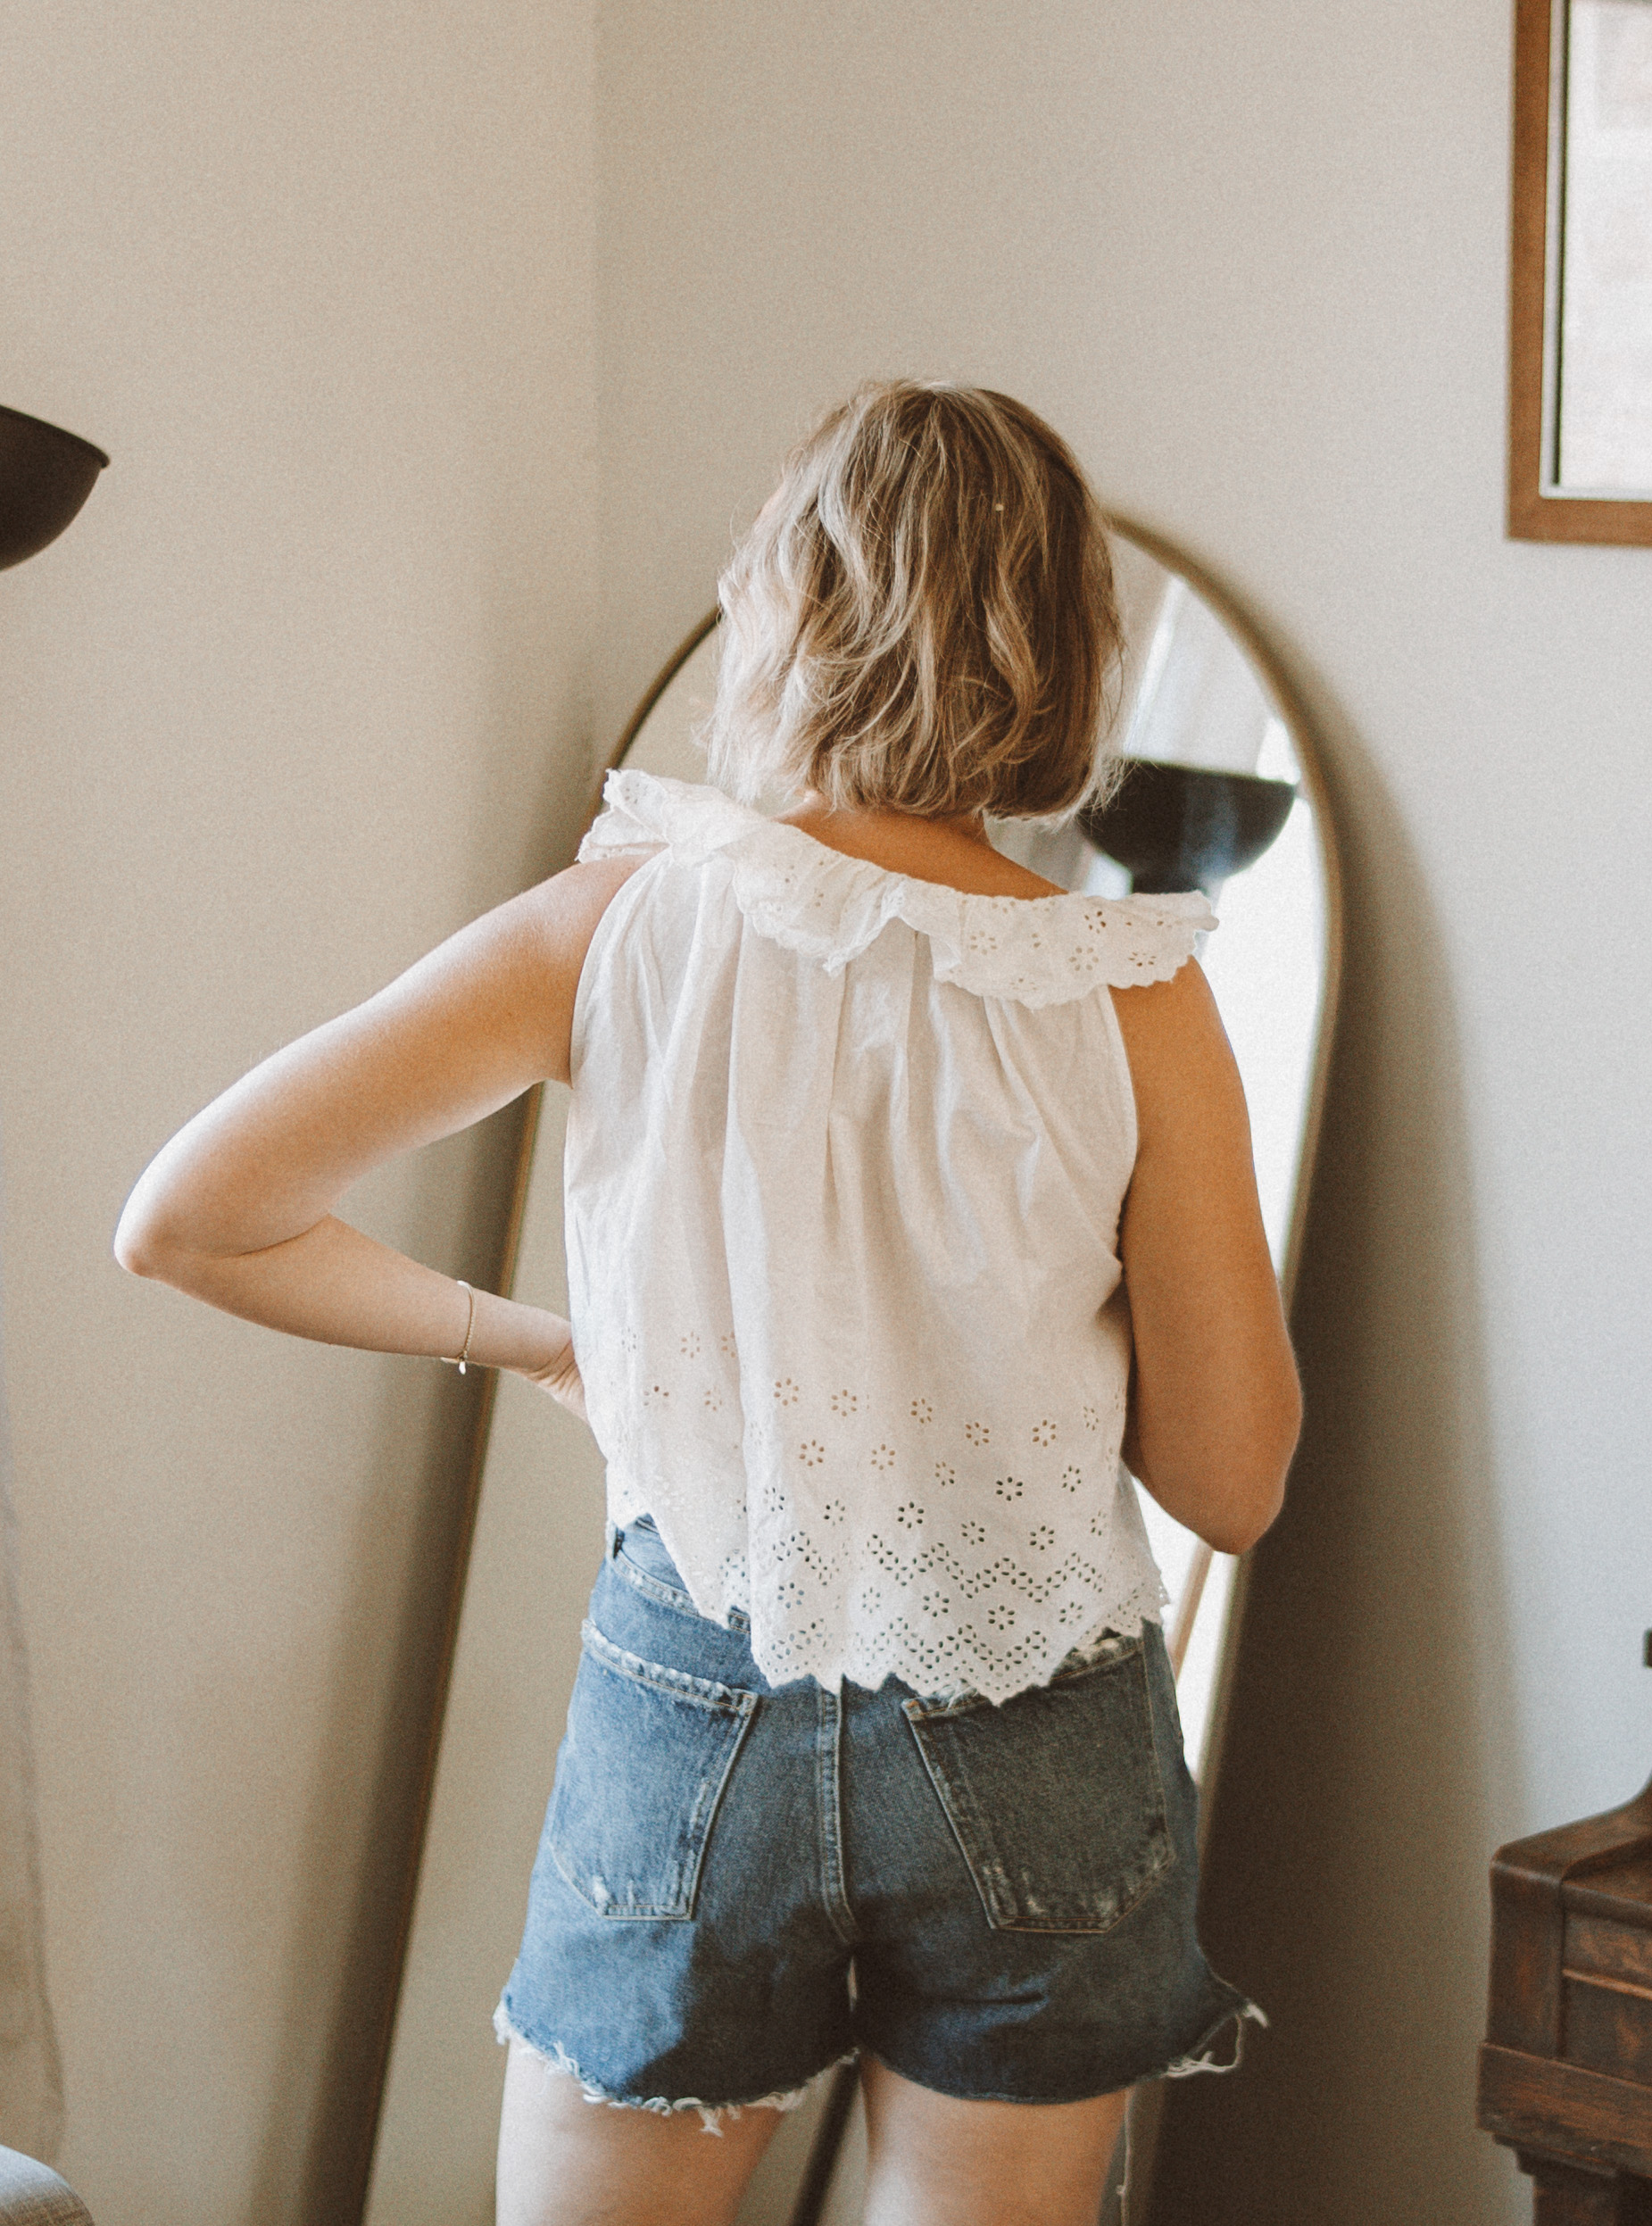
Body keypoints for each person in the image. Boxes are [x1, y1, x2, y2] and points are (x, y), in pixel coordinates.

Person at [116, 380, 1300, 2226]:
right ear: (1071, 643)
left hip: (699, 1678)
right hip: (1035, 1714)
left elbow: (193, 1217)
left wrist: (537, 1342)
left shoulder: (617, 921)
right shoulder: (1133, 991)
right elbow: (1230, 1481)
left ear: (784, 606)